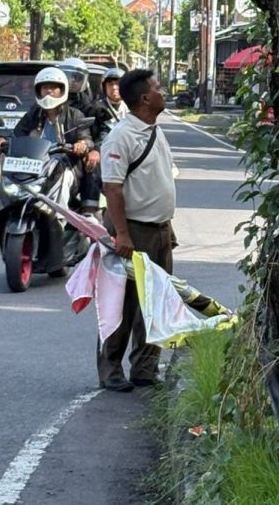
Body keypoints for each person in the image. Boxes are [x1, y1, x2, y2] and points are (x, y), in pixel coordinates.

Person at [98, 69, 175, 392]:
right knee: (124, 302)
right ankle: (111, 368)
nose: (163, 92)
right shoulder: (122, 137)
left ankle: (145, 367)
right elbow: (112, 188)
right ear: (145, 98)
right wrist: (122, 234)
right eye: (158, 88)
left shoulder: (155, 131)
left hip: (159, 229)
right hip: (134, 230)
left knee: (155, 301)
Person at [13, 67, 93, 207]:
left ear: (62, 90)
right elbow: (17, 134)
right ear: (39, 91)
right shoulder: (33, 114)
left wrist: (82, 144)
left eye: (53, 87)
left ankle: (59, 216)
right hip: (35, 164)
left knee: (63, 178)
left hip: (65, 165)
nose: (49, 91)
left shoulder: (74, 115)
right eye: (45, 87)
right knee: (12, 179)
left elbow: (85, 137)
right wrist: (4, 141)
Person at [78, 67, 128, 214]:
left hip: (130, 154)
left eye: (118, 84)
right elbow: (89, 134)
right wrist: (94, 150)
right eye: (110, 84)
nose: (114, 88)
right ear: (104, 87)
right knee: (91, 164)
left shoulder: (134, 108)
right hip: (104, 155)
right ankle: (90, 210)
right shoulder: (95, 108)